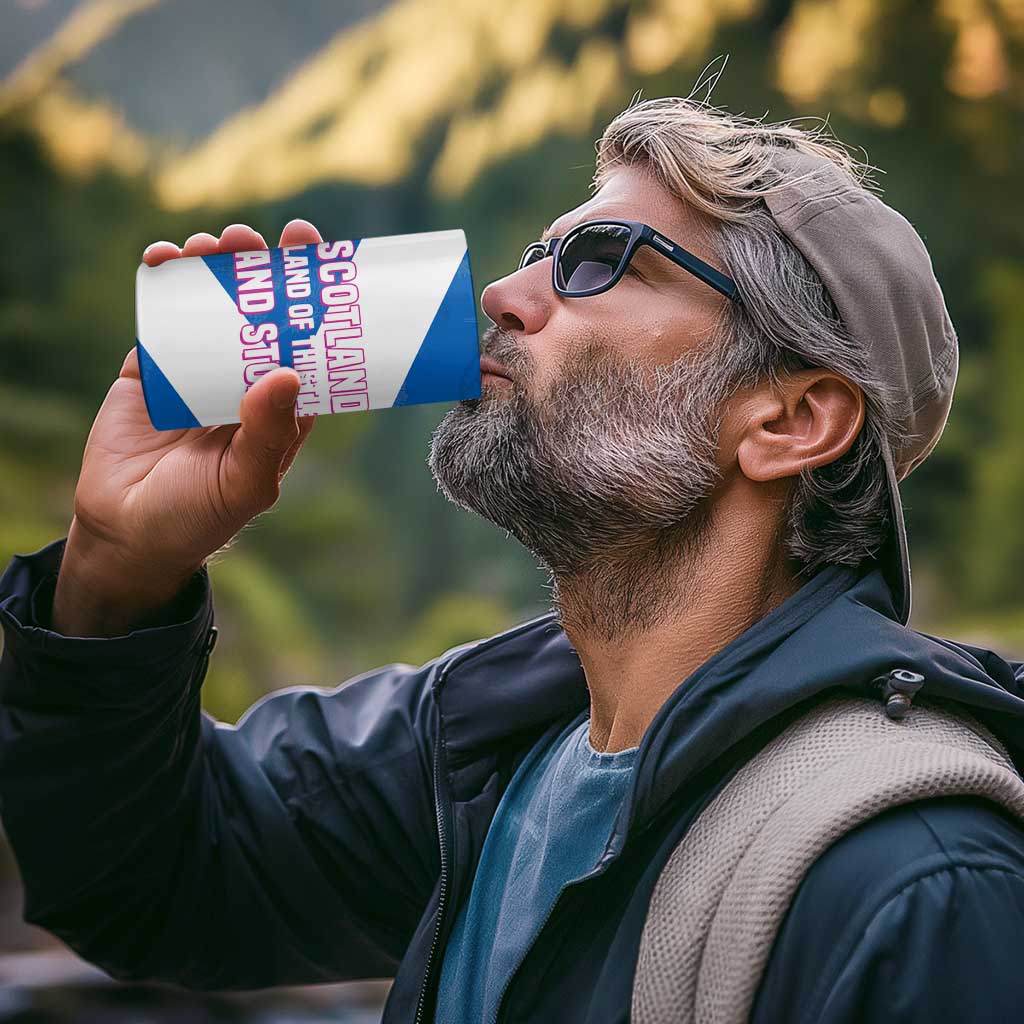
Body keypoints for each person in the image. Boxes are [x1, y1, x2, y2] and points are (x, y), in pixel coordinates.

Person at [2, 95, 1024, 1024]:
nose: (503, 291)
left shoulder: (918, 884)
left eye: (600, 261)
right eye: (540, 252)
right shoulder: (480, 750)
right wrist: (116, 571)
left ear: (791, 419)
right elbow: (149, 880)